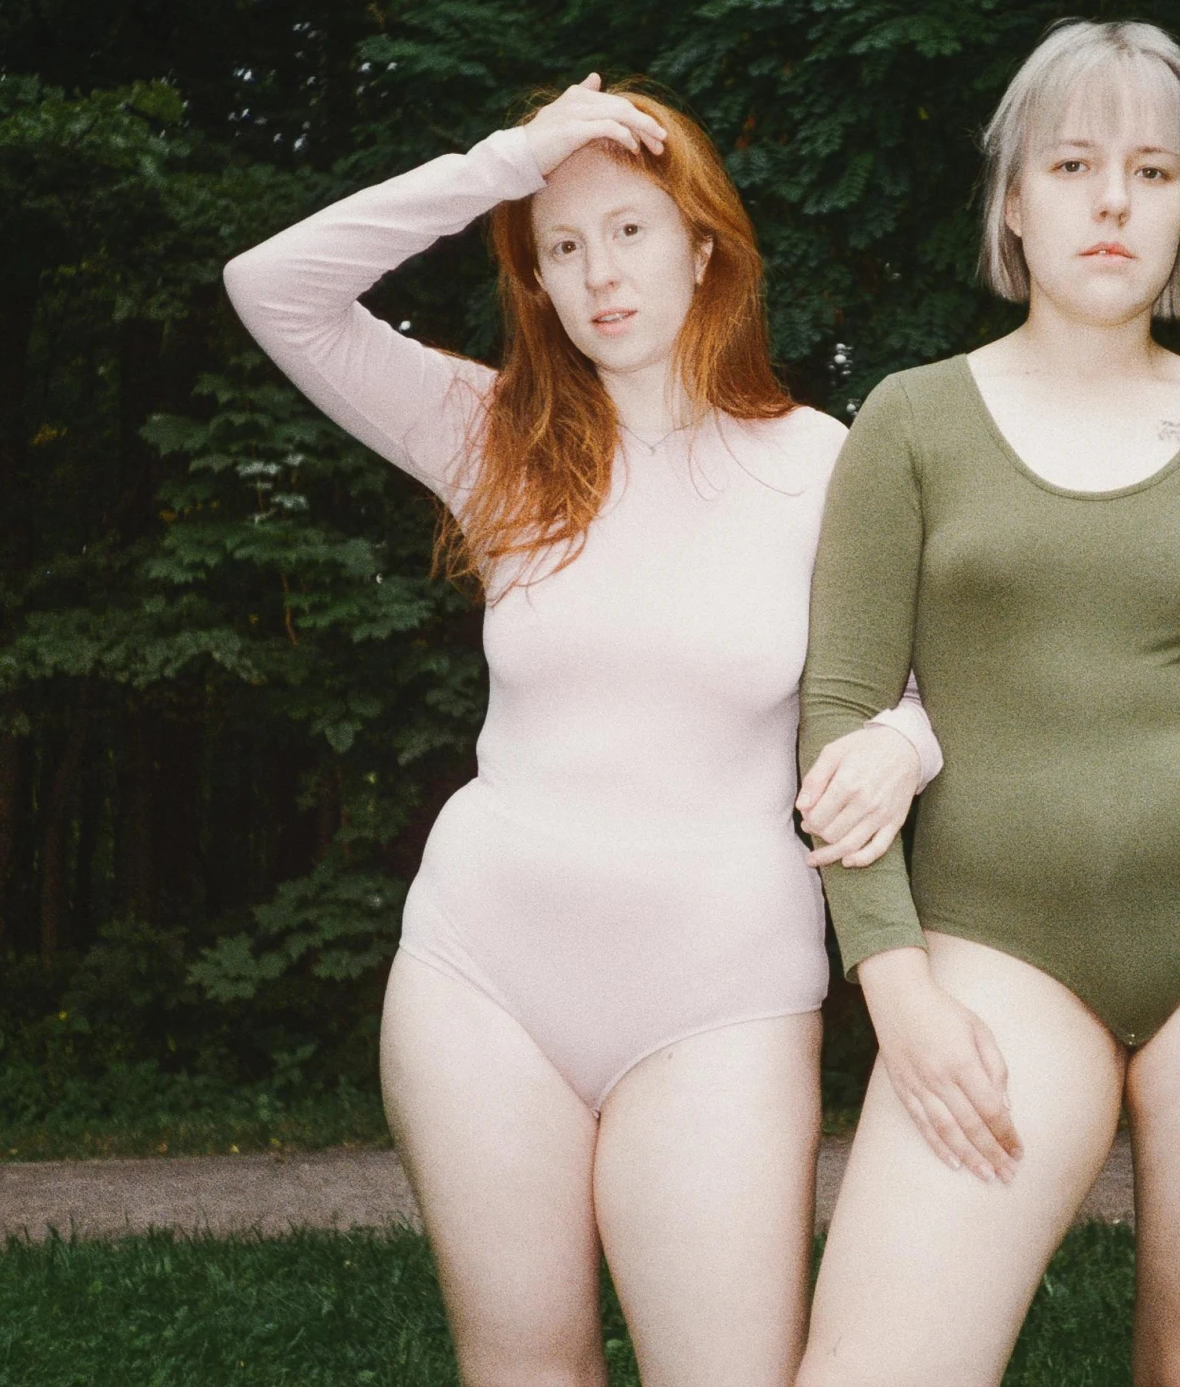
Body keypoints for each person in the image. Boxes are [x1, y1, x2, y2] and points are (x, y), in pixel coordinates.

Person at [222, 76, 939, 1387]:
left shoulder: (823, 461)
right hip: (485, 979)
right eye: (561, 245)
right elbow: (272, 287)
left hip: (722, 995)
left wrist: (909, 740)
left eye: (630, 230)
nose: (598, 272)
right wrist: (503, 162)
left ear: (704, 246)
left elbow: (942, 667)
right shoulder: (497, 439)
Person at [794, 20, 1180, 1387]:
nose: (1113, 199)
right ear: (1016, 200)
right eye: (1072, 163)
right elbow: (839, 708)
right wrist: (897, 988)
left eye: (1153, 171)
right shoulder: (911, 421)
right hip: (993, 960)